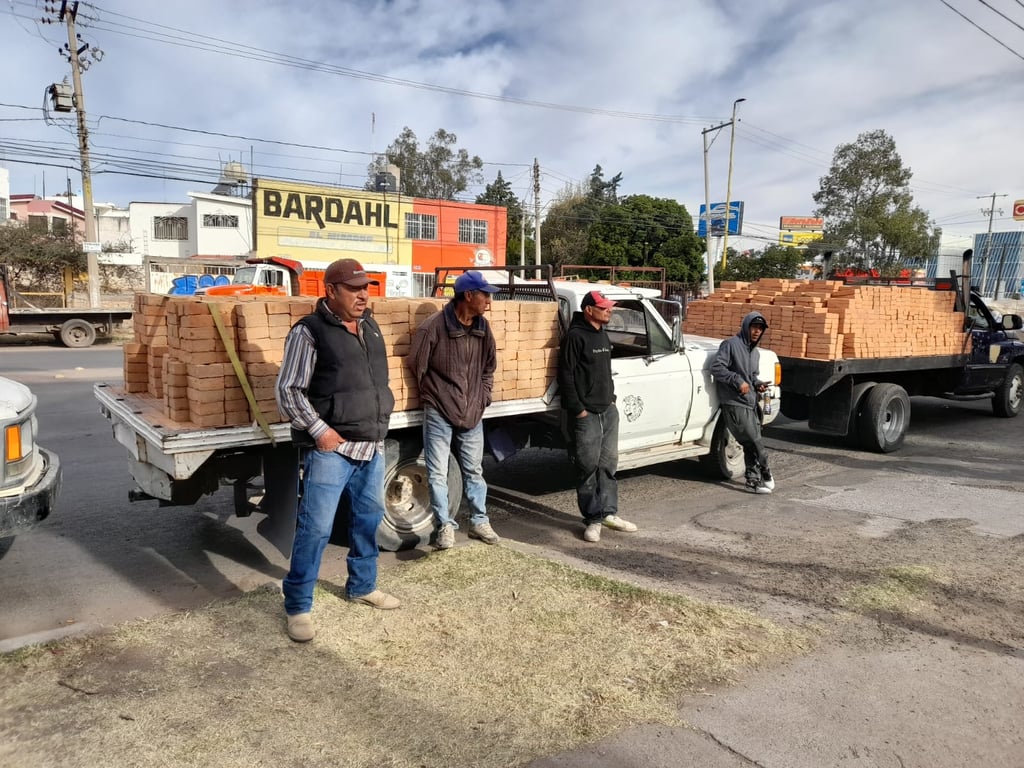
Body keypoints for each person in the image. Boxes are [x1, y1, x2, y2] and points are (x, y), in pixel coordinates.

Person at [276, 258, 400, 643]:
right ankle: (297, 605)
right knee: (315, 528)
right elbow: (288, 391)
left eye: (366, 288)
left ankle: (362, 585)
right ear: (330, 291)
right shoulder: (309, 332)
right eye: (354, 288)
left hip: (371, 446)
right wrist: (320, 431)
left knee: (367, 519)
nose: (363, 295)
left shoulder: (370, 326)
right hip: (333, 448)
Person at [408, 270, 500, 550]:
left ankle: (479, 521)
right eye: (484, 294)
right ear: (468, 296)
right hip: (440, 410)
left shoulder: (484, 328)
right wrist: (435, 396)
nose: (488, 300)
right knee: (437, 472)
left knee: (474, 470)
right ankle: (444, 527)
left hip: (473, 411)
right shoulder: (433, 328)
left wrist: (483, 396)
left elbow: (489, 367)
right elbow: (417, 366)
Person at [557, 290, 638, 543]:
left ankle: (609, 513)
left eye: (609, 307)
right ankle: (593, 519)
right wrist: (578, 410)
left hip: (607, 410)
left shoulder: (602, 333)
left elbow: (605, 371)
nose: (609, 311)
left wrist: (611, 400)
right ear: (589, 310)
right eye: (603, 308)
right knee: (587, 467)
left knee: (608, 465)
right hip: (586, 414)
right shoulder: (576, 336)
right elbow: (566, 375)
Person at [710, 311, 774, 494]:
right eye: (754, 327)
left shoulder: (755, 353)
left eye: (760, 329)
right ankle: (766, 473)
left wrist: (757, 384)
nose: (757, 331)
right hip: (734, 402)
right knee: (755, 444)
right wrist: (737, 381)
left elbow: (752, 376)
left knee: (750, 444)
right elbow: (717, 368)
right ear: (746, 326)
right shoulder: (730, 345)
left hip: (750, 403)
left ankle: (752, 480)